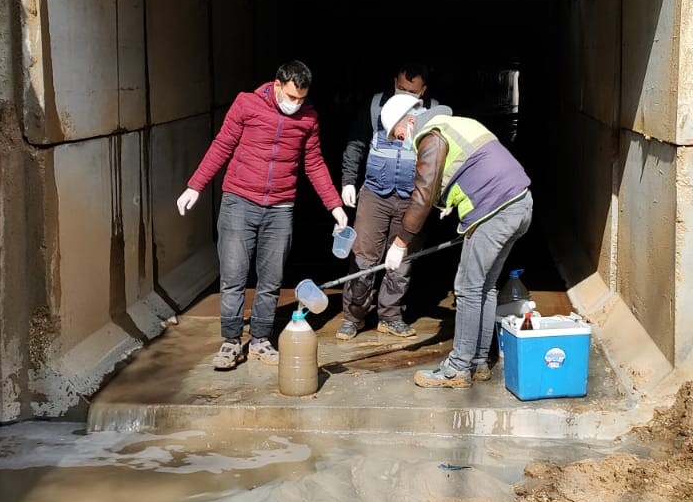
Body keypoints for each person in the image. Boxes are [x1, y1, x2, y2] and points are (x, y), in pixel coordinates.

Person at [177, 60, 347, 370]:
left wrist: (334, 205)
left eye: (302, 98)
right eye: (291, 96)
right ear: (278, 85)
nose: (296, 104)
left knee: (270, 280)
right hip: (239, 203)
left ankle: (260, 341)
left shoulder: (308, 118)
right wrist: (195, 186)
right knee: (233, 277)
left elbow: (314, 163)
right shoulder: (247, 104)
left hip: (280, 209)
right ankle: (231, 342)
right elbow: (222, 144)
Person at [380, 93, 533, 388]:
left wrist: (400, 243)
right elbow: (465, 169)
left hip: (495, 209)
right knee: (485, 286)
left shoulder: (431, 136)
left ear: (409, 121)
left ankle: (457, 368)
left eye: (398, 135)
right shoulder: (455, 124)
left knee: (467, 287)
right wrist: (448, 201)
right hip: (520, 203)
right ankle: (478, 362)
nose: (401, 142)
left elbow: (422, 194)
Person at [336, 64, 440, 341]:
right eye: (401, 89)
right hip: (374, 194)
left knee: (402, 261)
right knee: (363, 257)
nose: (405, 95)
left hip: (412, 199)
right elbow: (356, 143)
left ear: (423, 90)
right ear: (394, 82)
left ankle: (391, 316)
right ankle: (353, 317)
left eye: (412, 91)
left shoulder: (434, 113)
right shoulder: (375, 106)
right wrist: (348, 180)